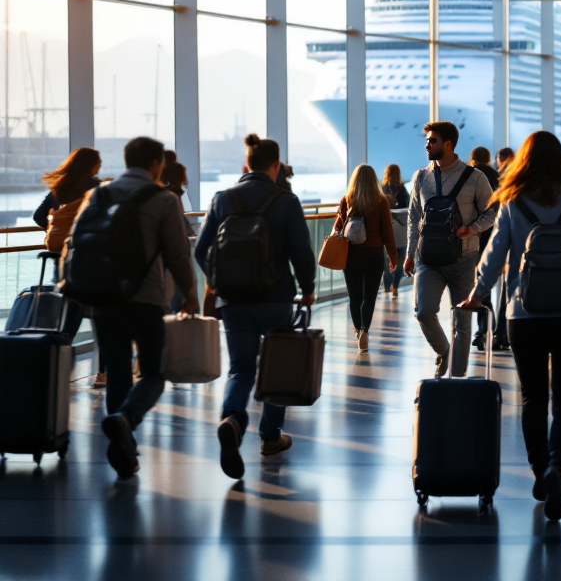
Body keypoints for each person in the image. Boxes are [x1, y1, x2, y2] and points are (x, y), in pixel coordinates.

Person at [460, 131, 561, 522]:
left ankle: (540, 469)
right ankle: (557, 466)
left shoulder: (513, 200)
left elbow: (493, 256)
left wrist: (477, 294)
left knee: (532, 397)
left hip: (523, 313)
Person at [195, 133, 316, 479]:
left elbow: (201, 251)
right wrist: (307, 288)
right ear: (275, 166)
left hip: (233, 301)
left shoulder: (222, 199)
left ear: (246, 164)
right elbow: (302, 252)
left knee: (241, 368)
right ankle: (270, 437)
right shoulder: (285, 201)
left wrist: (219, 282)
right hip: (275, 298)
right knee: (275, 368)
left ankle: (233, 420)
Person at [90, 137, 198, 479]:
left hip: (103, 298)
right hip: (146, 298)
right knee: (152, 374)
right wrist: (190, 293)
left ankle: (123, 447)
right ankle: (126, 419)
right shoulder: (164, 199)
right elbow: (178, 254)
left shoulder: (100, 194)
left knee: (117, 373)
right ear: (155, 164)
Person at [405, 121, 496, 378]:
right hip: (427, 260)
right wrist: (409, 253)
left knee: (462, 322)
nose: (427, 145)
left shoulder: (475, 178)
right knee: (424, 312)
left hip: (463, 260)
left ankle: (457, 379)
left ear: (448, 144)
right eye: (426, 140)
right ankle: (445, 352)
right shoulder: (420, 177)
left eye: (432, 140)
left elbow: (493, 212)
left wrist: (473, 228)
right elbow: (414, 217)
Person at [34, 148, 102, 380]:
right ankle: (102, 372)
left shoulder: (60, 186)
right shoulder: (96, 187)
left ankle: (57, 367)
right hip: (91, 258)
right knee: (100, 317)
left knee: (66, 316)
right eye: (98, 162)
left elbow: (39, 216)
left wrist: (58, 230)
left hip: (62, 260)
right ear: (91, 165)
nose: (100, 165)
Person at [333, 164, 398, 352]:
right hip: (374, 254)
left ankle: (358, 331)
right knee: (369, 297)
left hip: (351, 255)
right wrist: (392, 255)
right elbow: (387, 232)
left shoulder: (347, 200)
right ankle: (365, 331)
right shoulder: (381, 201)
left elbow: (338, 228)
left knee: (355, 296)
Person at [468, 146, 501, 351]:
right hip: (492, 235)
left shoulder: (469, 175)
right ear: (488, 158)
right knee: (484, 279)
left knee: (470, 282)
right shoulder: (497, 177)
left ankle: (478, 329)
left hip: (470, 234)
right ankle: (486, 328)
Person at [381, 163, 410, 298]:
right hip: (402, 229)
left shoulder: (382, 189)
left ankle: (386, 288)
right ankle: (395, 288)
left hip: (387, 227)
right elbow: (408, 207)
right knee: (400, 260)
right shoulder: (402, 189)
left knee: (387, 260)